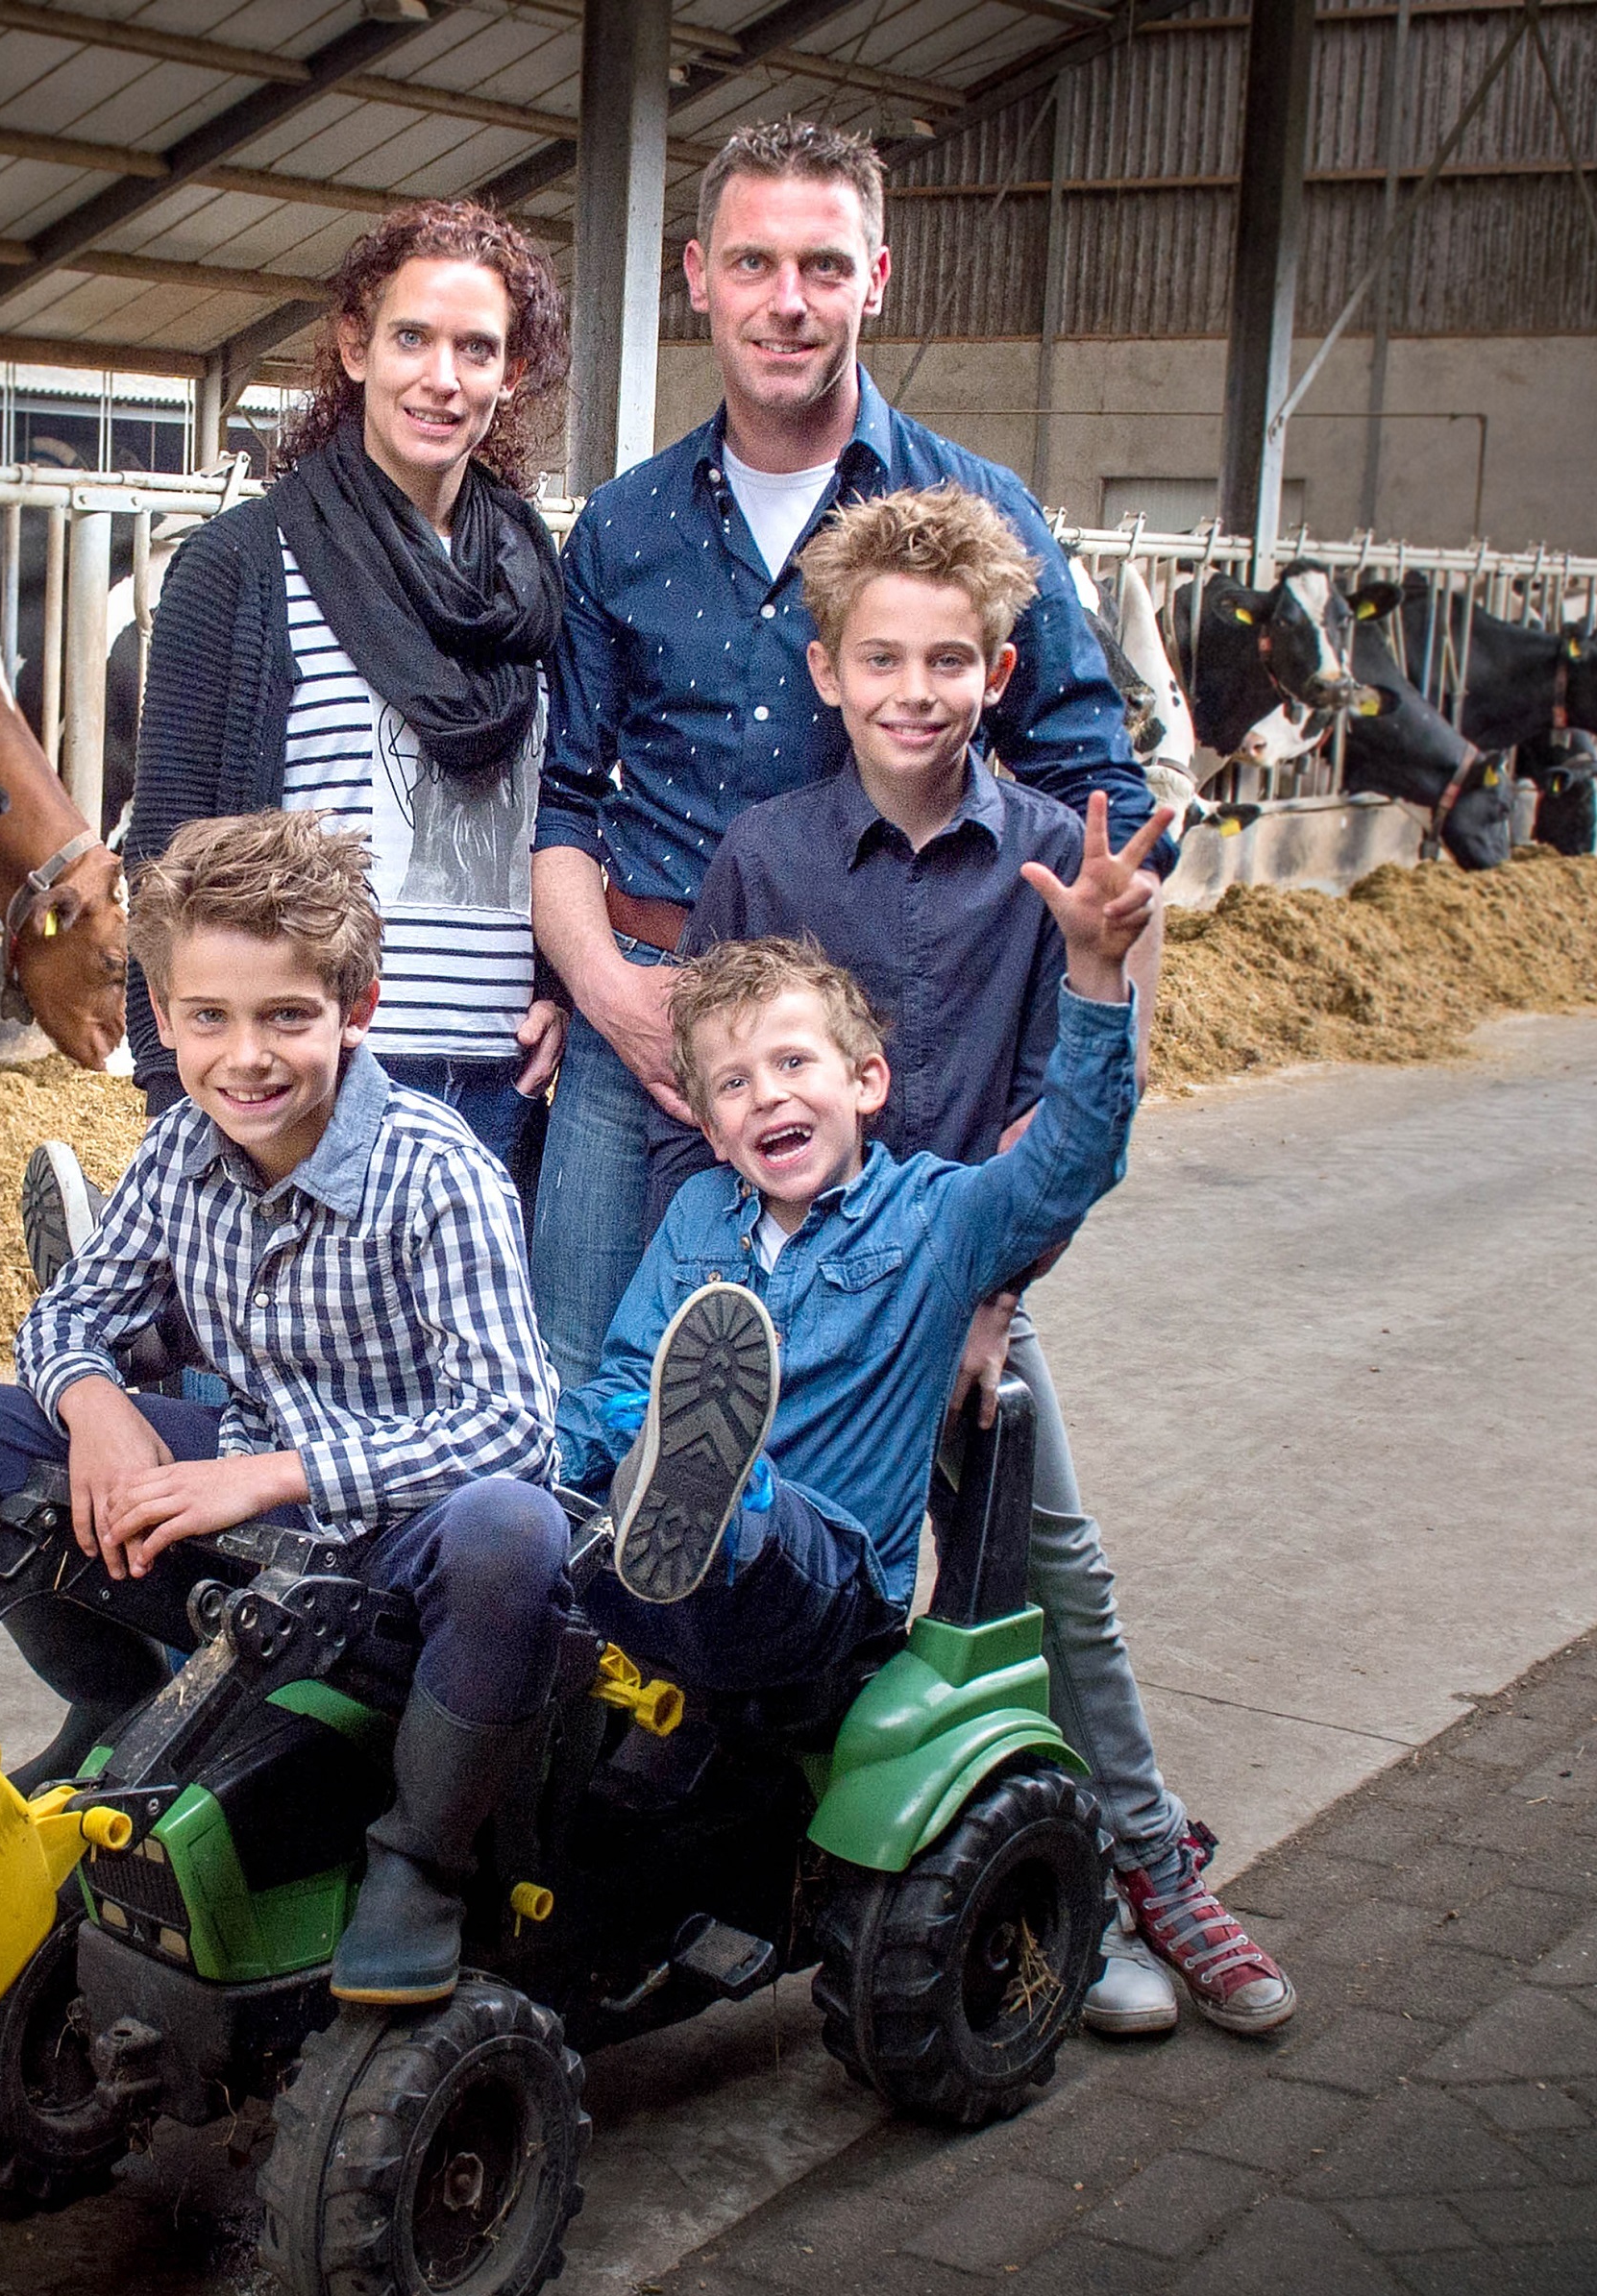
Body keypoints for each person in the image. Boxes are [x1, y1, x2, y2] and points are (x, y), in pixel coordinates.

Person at [678, 486, 1294, 2037]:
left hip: (966, 1288)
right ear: (825, 672)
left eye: (950, 660)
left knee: (1046, 1574)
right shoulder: (765, 854)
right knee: (777, 1568)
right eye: (881, 657)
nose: (914, 689)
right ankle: (882, 1875)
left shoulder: (1040, 863)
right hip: (804, 1303)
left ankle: (1139, 1867)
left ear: (999, 676)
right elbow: (726, 1077)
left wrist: (985, 1306)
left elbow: (1064, 1112)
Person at [0, 810, 568, 2009]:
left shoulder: (436, 1171)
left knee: (517, 1531)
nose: (243, 1058)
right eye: (207, 1017)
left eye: (285, 1017)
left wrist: (272, 1475)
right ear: (160, 1016)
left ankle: (420, 1855)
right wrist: (97, 1400)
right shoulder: (177, 1151)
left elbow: (512, 1422)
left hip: (394, 1541)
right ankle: (116, 1701)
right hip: (240, 1512)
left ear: (354, 1011)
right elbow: (64, 1317)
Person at [531, 118, 1155, 1375]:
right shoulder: (621, 524)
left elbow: (1106, 813)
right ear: (699, 276)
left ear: (877, 278)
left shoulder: (976, 514)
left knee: (900, 1433)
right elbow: (561, 799)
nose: (787, 303)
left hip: (891, 1038)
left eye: (824, 266)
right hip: (645, 1027)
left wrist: (1047, 1090)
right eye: (754, 265)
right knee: (584, 1397)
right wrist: (610, 995)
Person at [558, 825, 1152, 1723]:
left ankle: (717, 1487)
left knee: (753, 1524)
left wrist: (1098, 976)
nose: (767, 1095)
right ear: (714, 1133)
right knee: (555, 1497)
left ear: (867, 1082)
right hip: (664, 1595)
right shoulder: (697, 1220)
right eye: (733, 1085)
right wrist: (546, 1464)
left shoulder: (932, 1219)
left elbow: (1069, 1162)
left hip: (830, 1593)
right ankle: (642, 1491)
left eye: (793, 1063)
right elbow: (629, 1372)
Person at [116, 201, 573, 1184]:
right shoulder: (240, 566)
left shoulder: (532, 580)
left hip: (502, 1082)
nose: (441, 379)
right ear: (355, 347)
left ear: (512, 372)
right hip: (312, 1076)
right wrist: (172, 1091)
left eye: (477, 349)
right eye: (411, 337)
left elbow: (550, 814)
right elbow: (165, 853)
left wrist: (557, 986)